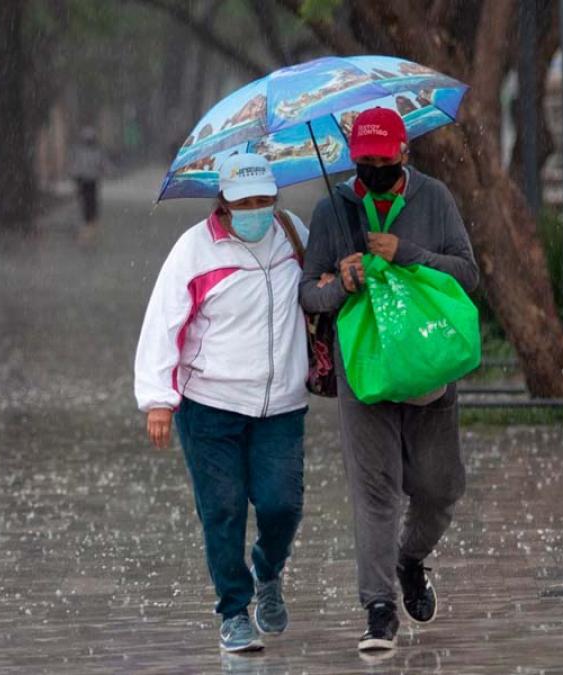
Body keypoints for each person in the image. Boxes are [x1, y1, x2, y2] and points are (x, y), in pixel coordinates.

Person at [298, 108, 479, 652]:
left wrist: (411, 256)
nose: (372, 170)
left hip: (428, 368)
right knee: (373, 491)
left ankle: (410, 560)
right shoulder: (334, 209)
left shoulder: (435, 199)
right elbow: (307, 292)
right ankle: (378, 610)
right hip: (364, 370)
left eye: (383, 160)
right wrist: (342, 283)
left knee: (440, 487)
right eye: (363, 162)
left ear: (404, 154)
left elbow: (468, 276)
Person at [134, 153, 310, 653]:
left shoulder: (294, 235)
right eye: (245, 203)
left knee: (282, 505)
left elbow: (319, 289)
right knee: (224, 509)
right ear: (224, 204)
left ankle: (268, 571)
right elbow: (163, 323)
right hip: (210, 404)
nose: (257, 211)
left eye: (265, 201)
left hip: (281, 403)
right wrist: (158, 401)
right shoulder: (194, 251)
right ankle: (233, 610)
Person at [70, 127, 106, 239]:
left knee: (90, 200)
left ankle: (90, 219)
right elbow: (76, 166)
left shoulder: (94, 152)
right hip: (85, 180)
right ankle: (88, 220)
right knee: (87, 200)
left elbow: (102, 164)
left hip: (90, 180)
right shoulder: (81, 152)